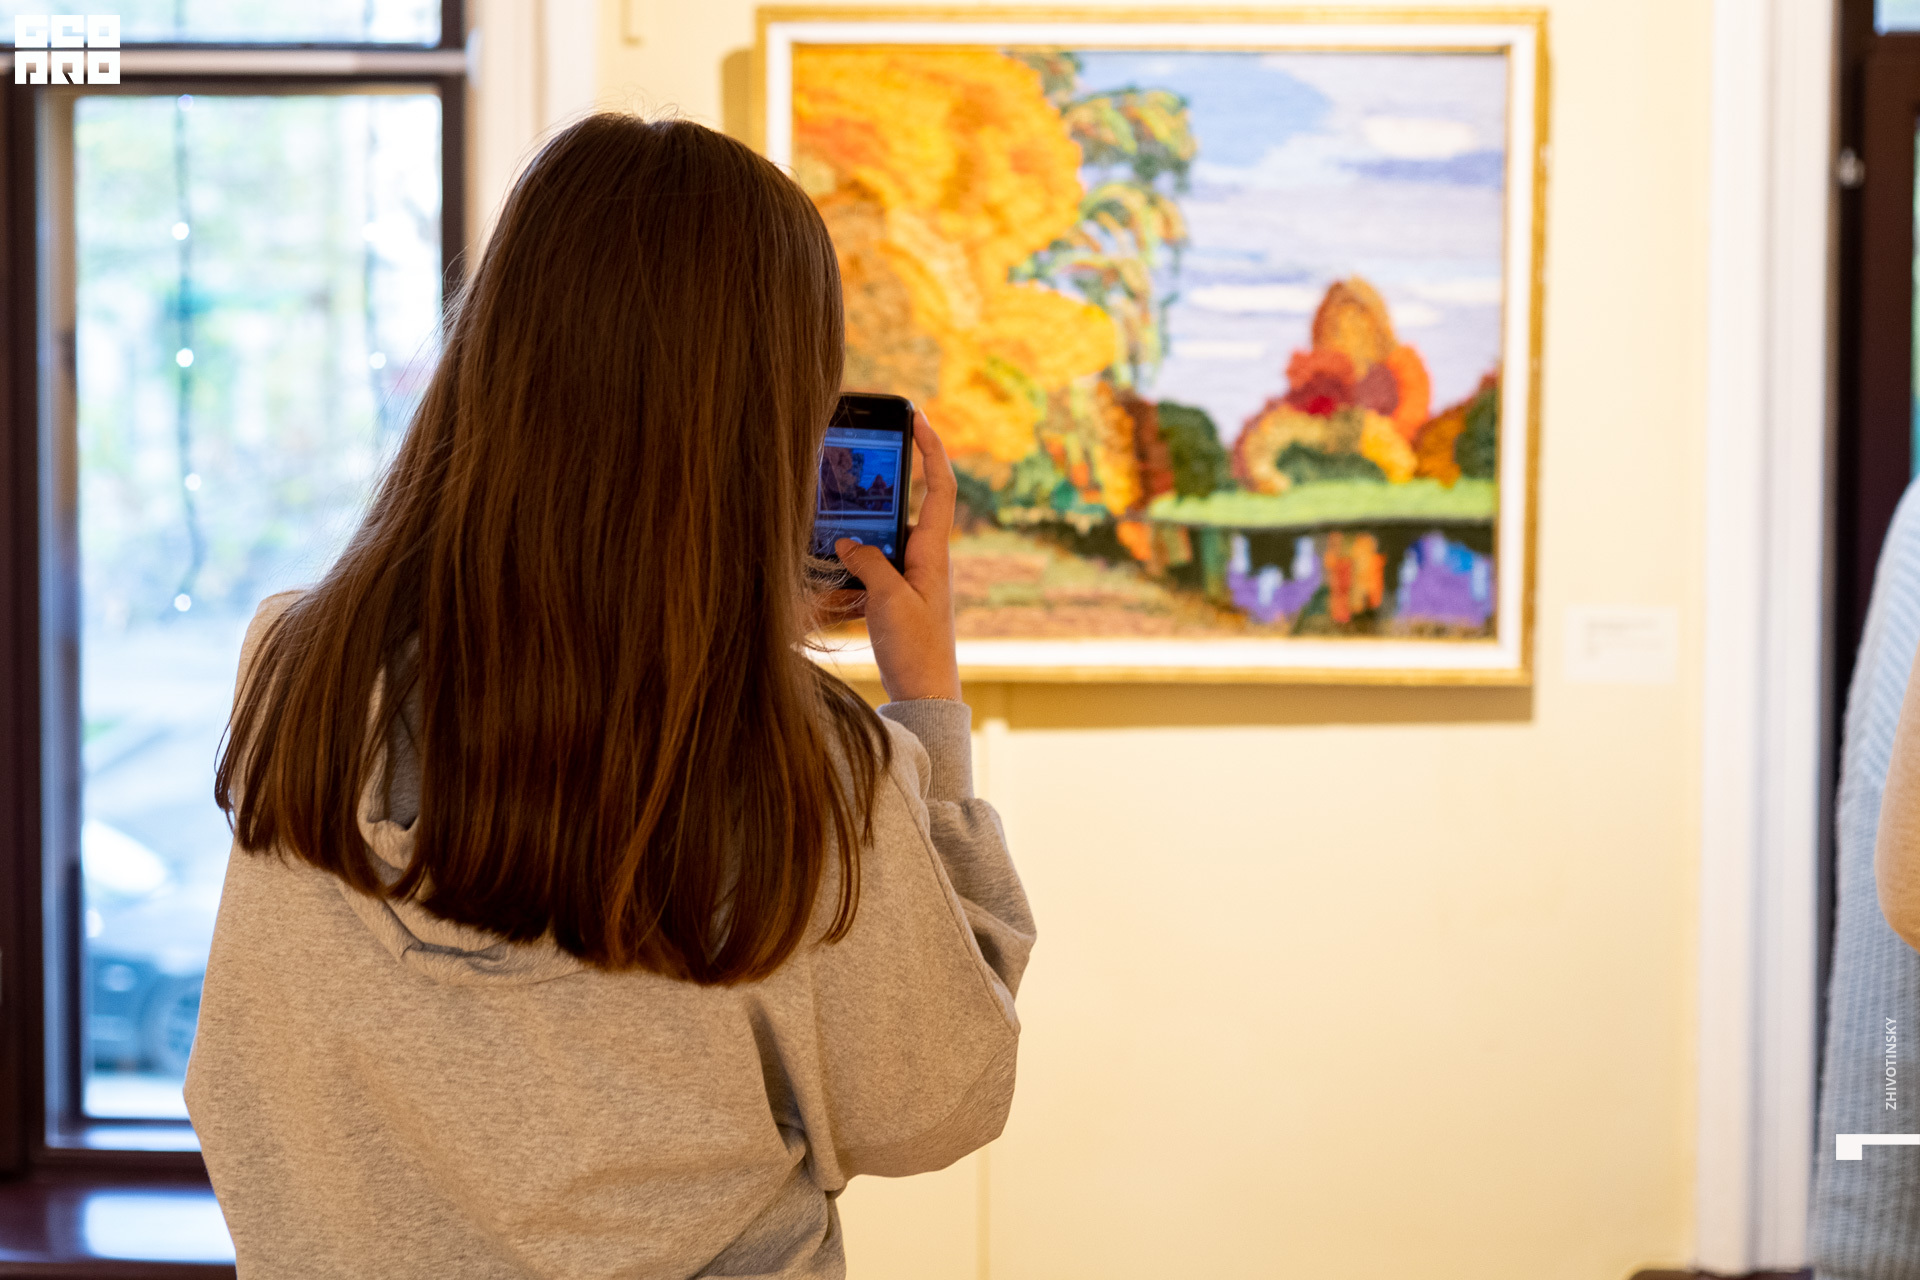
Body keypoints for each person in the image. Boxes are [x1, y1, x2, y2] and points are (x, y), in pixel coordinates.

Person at [184, 114, 1034, 1279]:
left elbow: (246, 1079)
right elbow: (936, 1099)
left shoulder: (301, 671)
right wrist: (925, 701)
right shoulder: (804, 764)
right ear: (772, 427)